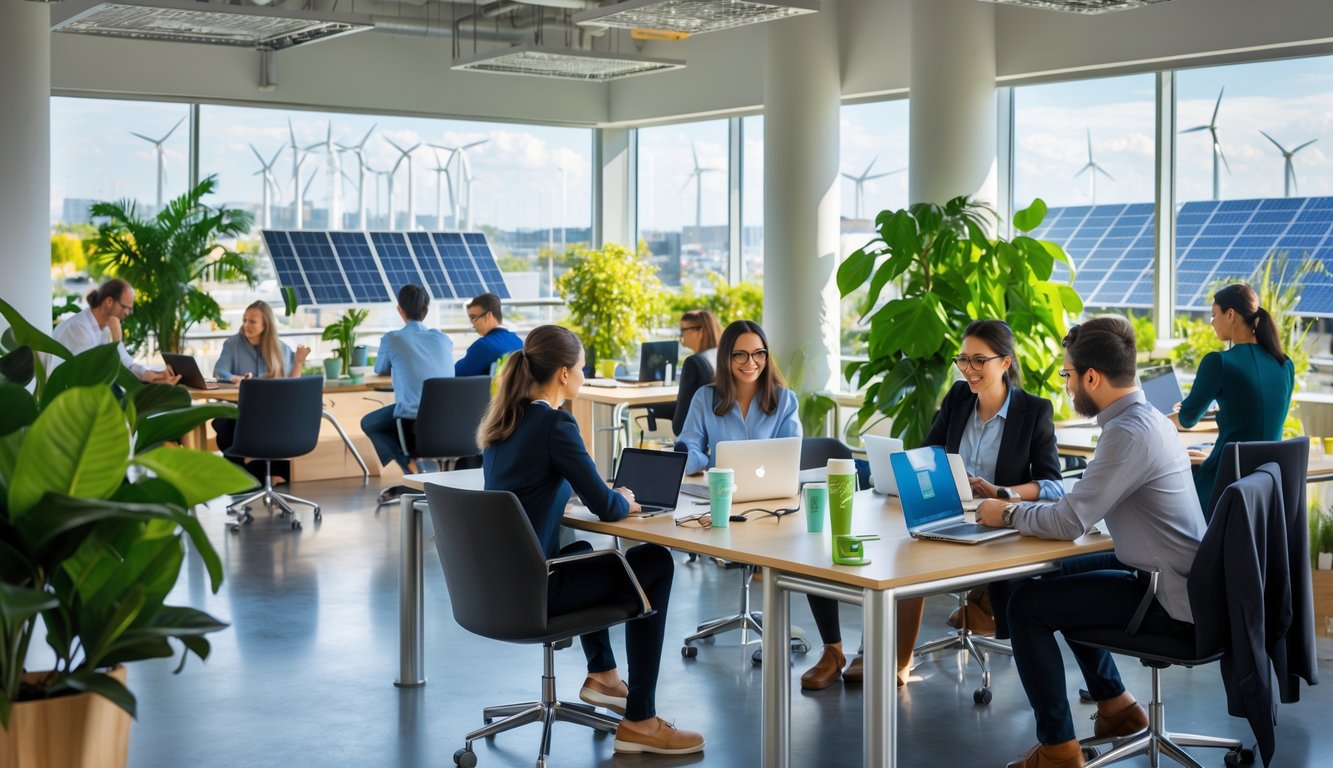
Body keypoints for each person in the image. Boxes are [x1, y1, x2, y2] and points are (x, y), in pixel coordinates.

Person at [974, 316, 1204, 768]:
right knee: (1059, 573)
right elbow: (1087, 502)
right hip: (1176, 582)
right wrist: (1015, 500)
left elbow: (1070, 521)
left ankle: (1058, 751)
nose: (1066, 384)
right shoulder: (1147, 420)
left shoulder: (1127, 433)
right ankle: (1116, 705)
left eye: (1067, 375)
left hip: (1169, 601)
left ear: (1092, 377)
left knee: (1027, 606)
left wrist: (1008, 511)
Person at [800, 319, 1065, 691]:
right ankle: (866, 649)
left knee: (914, 557)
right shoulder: (958, 399)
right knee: (900, 548)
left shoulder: (1034, 411)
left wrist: (1001, 492)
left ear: (1005, 363)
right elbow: (927, 453)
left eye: (979, 361)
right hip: (950, 512)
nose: (968, 370)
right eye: (963, 360)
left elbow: (1052, 485)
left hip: (998, 524)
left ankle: (895, 661)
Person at [477, 324, 705, 756]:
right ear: (564, 374)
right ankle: (640, 720)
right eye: (582, 368)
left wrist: (583, 488)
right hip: (535, 594)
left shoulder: (504, 423)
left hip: (497, 591)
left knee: (580, 551)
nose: (584, 374)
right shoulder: (555, 424)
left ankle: (602, 674)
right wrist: (622, 498)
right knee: (655, 561)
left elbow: (540, 482)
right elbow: (608, 508)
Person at [1173, 283, 1294, 517]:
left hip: (1225, 487)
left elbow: (1186, 419)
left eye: (1213, 315)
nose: (1212, 322)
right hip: (1268, 487)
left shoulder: (1219, 362)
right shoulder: (1285, 364)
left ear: (1230, 315)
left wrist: (1159, 419)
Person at [361, 285, 455, 495]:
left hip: (414, 420)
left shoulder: (393, 338)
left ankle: (412, 469)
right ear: (426, 311)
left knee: (370, 423)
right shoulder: (443, 339)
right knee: (400, 411)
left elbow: (380, 368)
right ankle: (421, 472)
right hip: (450, 420)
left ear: (400, 310)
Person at [675, 319, 800, 476]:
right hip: (722, 491)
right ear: (726, 357)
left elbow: (789, 457)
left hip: (770, 492)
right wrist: (704, 461)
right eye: (740, 355)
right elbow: (689, 445)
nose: (750, 362)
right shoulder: (705, 397)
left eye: (759, 353)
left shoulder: (785, 400)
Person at [211, 300, 312, 458]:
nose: (246, 325)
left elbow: (292, 384)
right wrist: (239, 379)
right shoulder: (232, 344)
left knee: (232, 429)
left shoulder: (281, 349)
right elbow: (219, 372)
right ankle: (248, 471)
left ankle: (262, 472)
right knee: (225, 426)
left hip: (272, 411)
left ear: (266, 324)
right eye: (244, 320)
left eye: (252, 321)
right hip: (242, 409)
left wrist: (298, 362)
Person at [49, 278, 179, 384]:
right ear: (109, 301)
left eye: (130, 309)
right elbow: (94, 374)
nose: (127, 312)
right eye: (124, 307)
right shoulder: (78, 329)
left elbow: (126, 363)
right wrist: (116, 340)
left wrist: (150, 375)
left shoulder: (105, 327)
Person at [644, 309, 723, 436]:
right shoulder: (721, 355)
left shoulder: (694, 363)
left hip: (691, 436)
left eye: (683, 331)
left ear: (700, 331)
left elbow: (680, 425)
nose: (681, 336)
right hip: (712, 432)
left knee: (642, 411)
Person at [454, 292, 523, 376]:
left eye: (473, 317)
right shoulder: (518, 341)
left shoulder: (484, 346)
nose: (472, 324)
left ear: (489, 315)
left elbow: (454, 374)